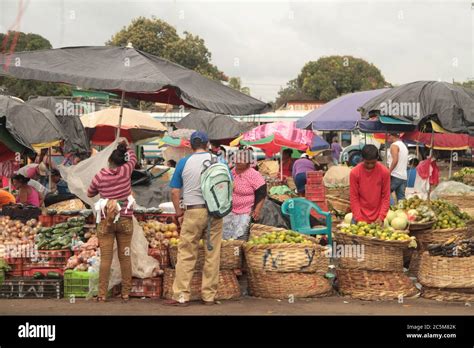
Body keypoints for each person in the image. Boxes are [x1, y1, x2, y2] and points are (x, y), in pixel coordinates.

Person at [165, 131, 223, 307]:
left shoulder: (184, 162)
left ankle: (182, 296)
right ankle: (209, 297)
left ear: (190, 145)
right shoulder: (219, 161)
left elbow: (175, 191)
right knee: (213, 254)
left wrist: (179, 212)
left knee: (186, 253)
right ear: (207, 144)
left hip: (193, 211)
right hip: (215, 212)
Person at [87, 138, 137, 303]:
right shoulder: (126, 171)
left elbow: (89, 193)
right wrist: (126, 146)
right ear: (123, 161)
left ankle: (102, 294)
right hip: (125, 221)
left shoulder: (100, 175)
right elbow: (133, 158)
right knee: (125, 256)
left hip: (106, 222)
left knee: (106, 258)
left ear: (109, 160)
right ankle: (126, 293)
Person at [223, 149, 266, 240]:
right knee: (226, 237)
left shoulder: (254, 175)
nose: (238, 161)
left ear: (248, 162)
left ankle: (238, 253)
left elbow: (262, 192)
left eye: (242, 159)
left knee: (240, 237)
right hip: (229, 210)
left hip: (245, 211)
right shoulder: (231, 171)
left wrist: (257, 209)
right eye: (237, 158)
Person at [349, 145, 390, 224]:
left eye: (373, 163)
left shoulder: (384, 172)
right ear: (362, 159)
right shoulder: (354, 172)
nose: (370, 165)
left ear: (377, 159)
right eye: (367, 163)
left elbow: (386, 197)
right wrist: (359, 218)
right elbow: (354, 197)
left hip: (378, 218)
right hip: (358, 217)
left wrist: (381, 217)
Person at [387, 133, 409, 202]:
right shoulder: (403, 145)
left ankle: (390, 208)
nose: (388, 137)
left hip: (395, 175)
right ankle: (400, 211)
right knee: (401, 198)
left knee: (385, 193)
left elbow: (395, 160)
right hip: (403, 176)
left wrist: (389, 171)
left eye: (389, 135)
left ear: (392, 135)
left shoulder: (394, 145)